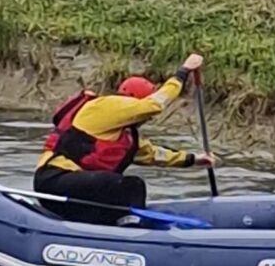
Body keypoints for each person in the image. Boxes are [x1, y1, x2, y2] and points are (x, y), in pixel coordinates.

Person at [34, 53, 217, 225]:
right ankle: (132, 229)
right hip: (55, 180)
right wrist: (183, 73)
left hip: (81, 192)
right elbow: (154, 105)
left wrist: (194, 159)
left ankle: (116, 230)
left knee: (124, 188)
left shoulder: (126, 137)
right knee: (129, 185)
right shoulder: (103, 107)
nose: (147, 119)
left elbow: (155, 155)